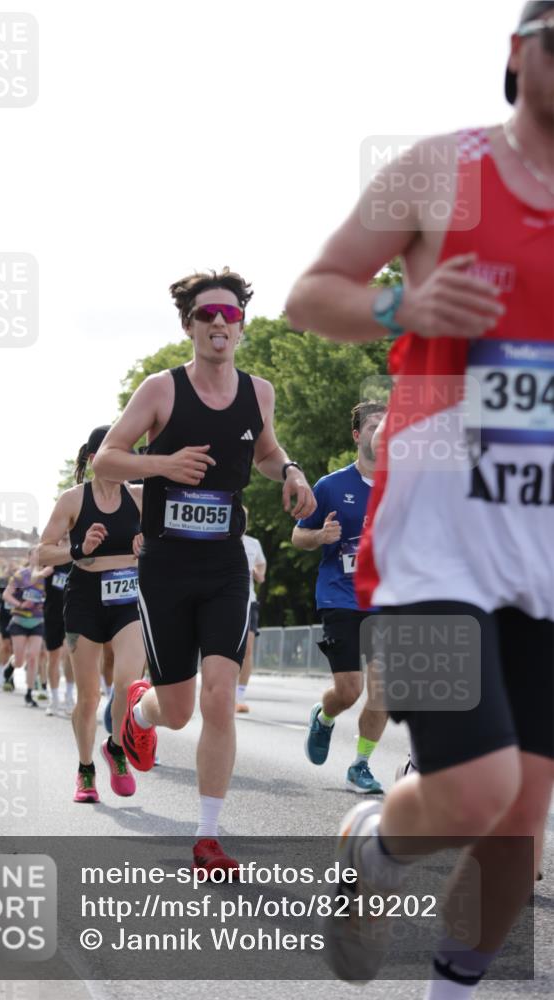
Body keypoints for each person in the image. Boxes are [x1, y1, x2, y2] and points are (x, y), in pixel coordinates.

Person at [285, 2, 554, 989]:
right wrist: (405, 302)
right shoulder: (447, 170)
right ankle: (368, 846)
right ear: (518, 54)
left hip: (544, 553)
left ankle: (451, 986)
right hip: (434, 545)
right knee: (475, 788)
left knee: (521, 813)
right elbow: (311, 293)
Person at [93, 268, 316, 873]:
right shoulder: (161, 390)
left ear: (240, 323)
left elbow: (266, 453)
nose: (219, 324)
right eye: (206, 315)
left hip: (224, 564)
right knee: (180, 710)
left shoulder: (257, 392)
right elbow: (106, 461)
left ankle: (209, 837)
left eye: (229, 314)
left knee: (219, 700)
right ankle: (138, 714)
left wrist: (291, 470)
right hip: (166, 567)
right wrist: (164, 463)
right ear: (188, 325)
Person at [38, 426, 146, 802]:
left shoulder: (140, 498)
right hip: (84, 598)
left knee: (130, 683)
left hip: (128, 597)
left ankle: (116, 747)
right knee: (88, 698)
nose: (122, 461)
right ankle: (85, 770)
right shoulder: (72, 500)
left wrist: (149, 548)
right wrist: (79, 548)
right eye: (115, 452)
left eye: (127, 453)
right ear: (93, 458)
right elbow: (42, 554)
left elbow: (172, 544)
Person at [292, 401, 387, 793]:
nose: (380, 434)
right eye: (373, 427)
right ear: (357, 435)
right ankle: (325, 716)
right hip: (340, 598)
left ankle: (360, 765)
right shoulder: (331, 486)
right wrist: (320, 537)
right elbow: (299, 536)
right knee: (350, 690)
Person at [2, 550, 47, 707]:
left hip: (37, 621)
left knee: (33, 657)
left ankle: (29, 693)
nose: (38, 556)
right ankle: (11, 665)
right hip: (20, 620)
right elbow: (6, 595)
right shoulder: (21, 575)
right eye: (35, 554)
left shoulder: (46, 574)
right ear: (29, 557)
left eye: (40, 553)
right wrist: (20, 604)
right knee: (20, 661)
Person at [236, 509, 267, 713]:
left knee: (247, 649)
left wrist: (256, 573)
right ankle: (220, 692)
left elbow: (262, 573)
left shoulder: (253, 544)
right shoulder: (219, 540)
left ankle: (239, 697)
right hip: (224, 601)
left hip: (249, 601)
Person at [40, 555, 72, 717]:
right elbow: (29, 577)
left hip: (73, 612)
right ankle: (53, 699)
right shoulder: (50, 556)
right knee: (53, 657)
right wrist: (43, 572)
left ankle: (69, 696)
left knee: (70, 655)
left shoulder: (79, 554)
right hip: (52, 614)